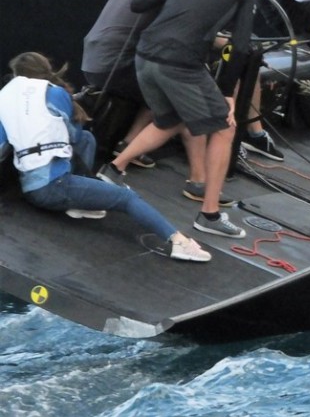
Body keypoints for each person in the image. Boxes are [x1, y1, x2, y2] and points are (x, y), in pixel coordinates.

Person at [105, 0, 258, 239]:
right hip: (179, 64)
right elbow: (241, 48)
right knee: (224, 128)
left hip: (145, 56)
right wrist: (227, 94)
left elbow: (138, 4)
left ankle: (113, 170)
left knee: (170, 119)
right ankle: (209, 215)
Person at [0, 52, 210, 262]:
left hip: (32, 187)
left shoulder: (5, 99)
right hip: (54, 187)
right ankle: (179, 243)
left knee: (87, 139)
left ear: (16, 75)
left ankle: (81, 202)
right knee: (126, 197)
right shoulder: (56, 93)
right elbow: (72, 135)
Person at [82, 0, 209, 171]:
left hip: (92, 56)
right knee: (174, 92)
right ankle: (131, 146)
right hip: (115, 66)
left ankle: (131, 142)